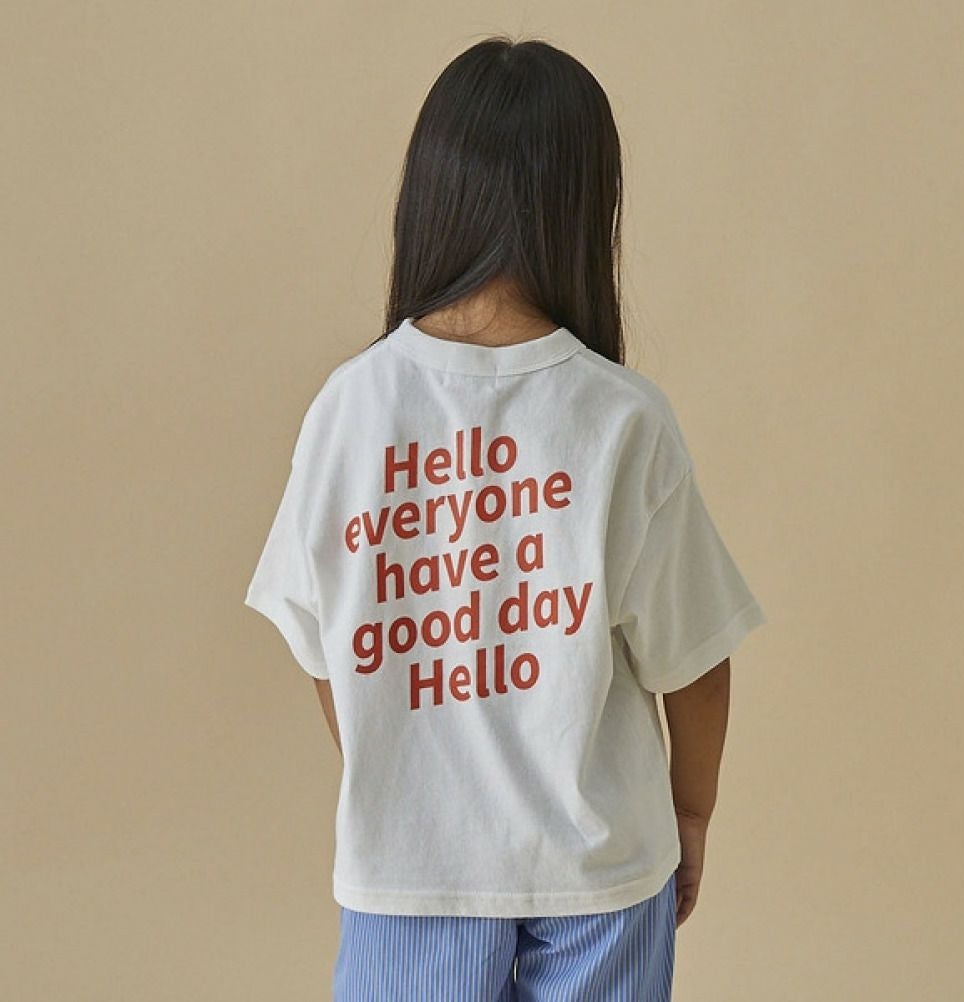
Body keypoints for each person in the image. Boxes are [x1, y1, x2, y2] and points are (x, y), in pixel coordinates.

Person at [244, 34, 766, 1002]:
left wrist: (406, 769)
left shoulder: (349, 408)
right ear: (588, 208)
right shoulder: (621, 417)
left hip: (409, 875)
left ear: (430, 198)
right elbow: (694, 660)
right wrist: (691, 812)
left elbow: (320, 644)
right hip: (600, 871)